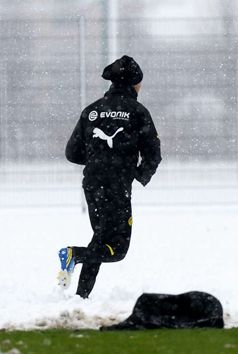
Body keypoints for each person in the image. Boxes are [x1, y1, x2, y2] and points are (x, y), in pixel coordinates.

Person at [58, 55, 162, 298]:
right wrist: (138, 173)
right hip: (117, 186)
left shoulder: (92, 111)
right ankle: (74, 254)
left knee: (101, 239)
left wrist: (98, 160)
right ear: (134, 83)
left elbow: (72, 153)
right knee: (117, 250)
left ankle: (82, 296)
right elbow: (153, 153)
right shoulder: (138, 112)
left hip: (92, 184)